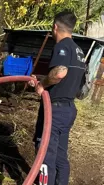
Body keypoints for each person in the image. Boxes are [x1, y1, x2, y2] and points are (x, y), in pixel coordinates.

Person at [29, 10, 86, 185]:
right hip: (68, 109)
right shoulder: (79, 51)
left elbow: (60, 72)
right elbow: (79, 86)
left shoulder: (62, 46)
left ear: (55, 27)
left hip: (54, 110)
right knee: (61, 156)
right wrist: (41, 82)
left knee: (46, 155)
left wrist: (42, 85)